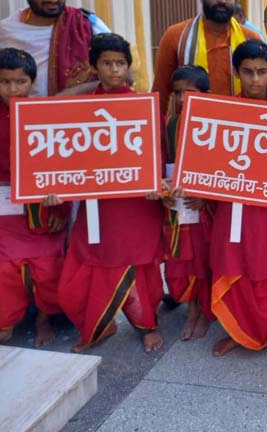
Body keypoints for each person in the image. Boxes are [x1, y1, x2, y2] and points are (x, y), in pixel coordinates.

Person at [57, 33, 167, 353]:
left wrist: (156, 184)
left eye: (120, 63)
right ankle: (97, 327)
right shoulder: (80, 107)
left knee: (140, 265)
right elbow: (66, 154)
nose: (114, 70)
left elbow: (156, 151)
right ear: (95, 66)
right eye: (107, 63)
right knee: (91, 260)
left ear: (128, 66)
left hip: (138, 203)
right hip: (100, 203)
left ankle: (148, 325)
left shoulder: (144, 105)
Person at [207, 40, 267, 359]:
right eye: (248, 72)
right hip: (230, 210)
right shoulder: (220, 116)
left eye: (261, 72)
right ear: (237, 73)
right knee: (233, 266)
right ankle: (238, 331)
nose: (254, 79)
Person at [0, 48, 70, 347]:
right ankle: (5, 321)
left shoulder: (46, 114)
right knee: (4, 268)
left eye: (20, 81)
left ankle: (44, 318)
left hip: (45, 205)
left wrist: (63, 208)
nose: (13, 89)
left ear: (32, 81)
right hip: (5, 205)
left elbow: (66, 163)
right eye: (5, 82)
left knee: (47, 266)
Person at [0, 0, 110, 97]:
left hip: (80, 115)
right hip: (23, 116)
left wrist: (72, 93)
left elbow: (124, 74)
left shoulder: (87, 24)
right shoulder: (7, 31)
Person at [151, 0, 262, 115]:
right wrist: (161, 134)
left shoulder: (251, 39)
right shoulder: (176, 36)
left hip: (239, 126)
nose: (222, 0)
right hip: (191, 126)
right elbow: (161, 93)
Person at [163, 65, 214, 341]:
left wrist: (206, 196)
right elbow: (160, 163)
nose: (182, 99)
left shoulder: (217, 126)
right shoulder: (169, 125)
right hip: (178, 208)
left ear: (207, 95)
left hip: (204, 210)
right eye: (178, 93)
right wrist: (163, 188)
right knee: (182, 261)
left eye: (190, 93)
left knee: (204, 261)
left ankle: (204, 313)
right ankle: (191, 308)